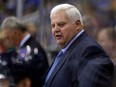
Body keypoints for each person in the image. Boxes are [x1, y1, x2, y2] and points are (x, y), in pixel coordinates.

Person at [44, 4, 114, 87]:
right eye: (53, 26)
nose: (55, 29)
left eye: (61, 24)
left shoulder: (90, 51)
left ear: (77, 25)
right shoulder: (66, 49)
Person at [1, 17, 49, 87]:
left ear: (15, 33)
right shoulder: (29, 46)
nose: (8, 41)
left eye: (8, 37)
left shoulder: (29, 50)